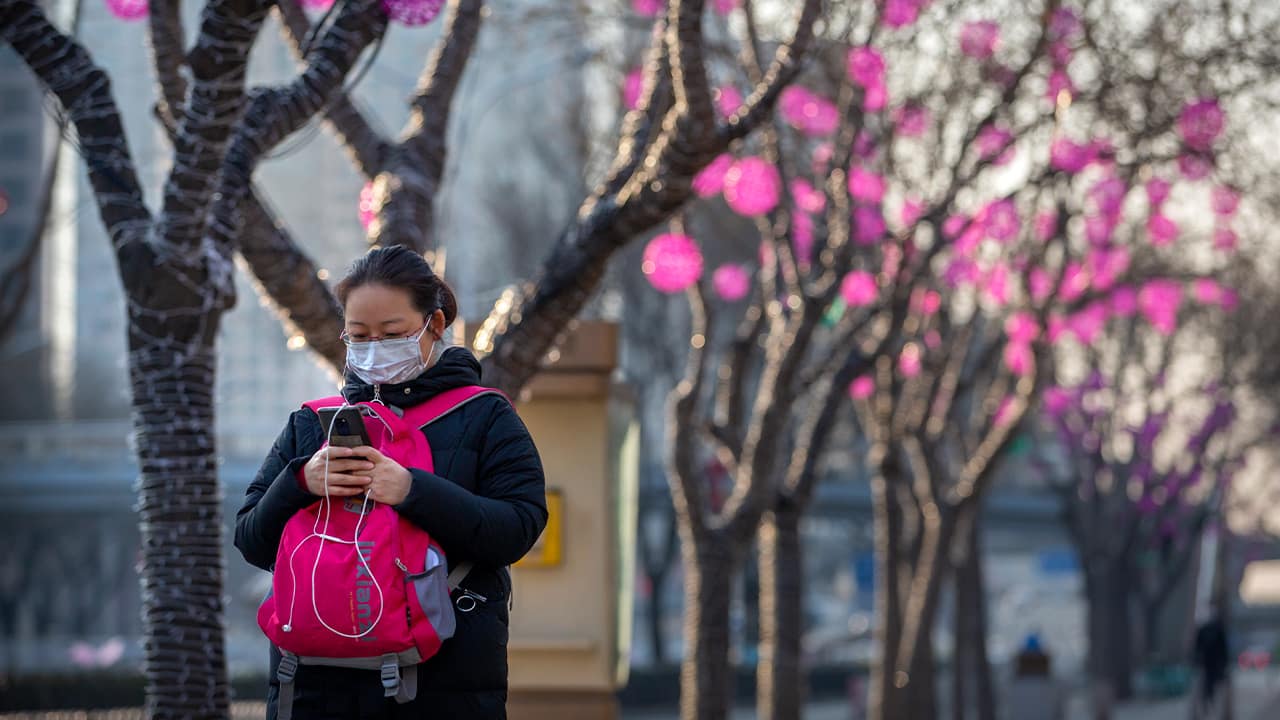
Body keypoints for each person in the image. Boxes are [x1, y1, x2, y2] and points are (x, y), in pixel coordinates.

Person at [235, 246, 548, 719]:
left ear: (434, 325)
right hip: (316, 685)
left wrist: (412, 491)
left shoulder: (485, 416)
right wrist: (300, 481)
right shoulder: (313, 423)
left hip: (442, 687)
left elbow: (518, 527)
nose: (374, 348)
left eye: (393, 333)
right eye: (359, 336)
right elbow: (252, 542)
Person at [1192, 611, 1229, 719]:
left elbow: (1198, 647)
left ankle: (1208, 703)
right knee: (1208, 686)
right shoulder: (1215, 629)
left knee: (1209, 686)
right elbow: (1223, 648)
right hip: (1211, 664)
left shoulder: (1208, 629)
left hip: (1209, 664)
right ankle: (1207, 704)